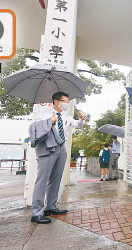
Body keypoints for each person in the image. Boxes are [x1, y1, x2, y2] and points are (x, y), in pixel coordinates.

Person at [29, 92, 86, 224]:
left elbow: (78, 124)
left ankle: (51, 207)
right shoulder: (44, 113)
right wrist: (49, 122)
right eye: (64, 101)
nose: (66, 104)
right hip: (48, 148)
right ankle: (37, 212)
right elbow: (34, 128)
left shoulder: (67, 116)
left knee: (56, 179)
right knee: (42, 180)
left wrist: (82, 119)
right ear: (56, 101)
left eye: (67, 101)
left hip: (61, 147)